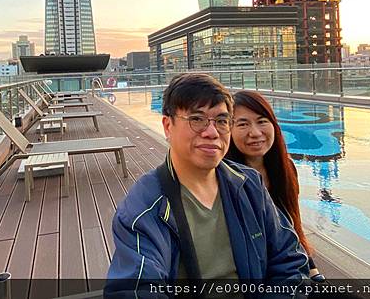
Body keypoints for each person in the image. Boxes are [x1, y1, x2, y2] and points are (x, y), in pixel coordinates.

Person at [106, 73, 309, 296]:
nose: (212, 133)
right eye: (197, 119)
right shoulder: (145, 208)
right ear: (167, 125)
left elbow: (290, 261)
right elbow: (136, 289)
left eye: (222, 121)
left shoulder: (249, 186)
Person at [225, 90, 325, 282]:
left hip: (290, 265)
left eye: (262, 121)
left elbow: (292, 223)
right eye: (243, 124)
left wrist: (312, 269)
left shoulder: (284, 169)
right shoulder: (226, 180)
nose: (255, 133)